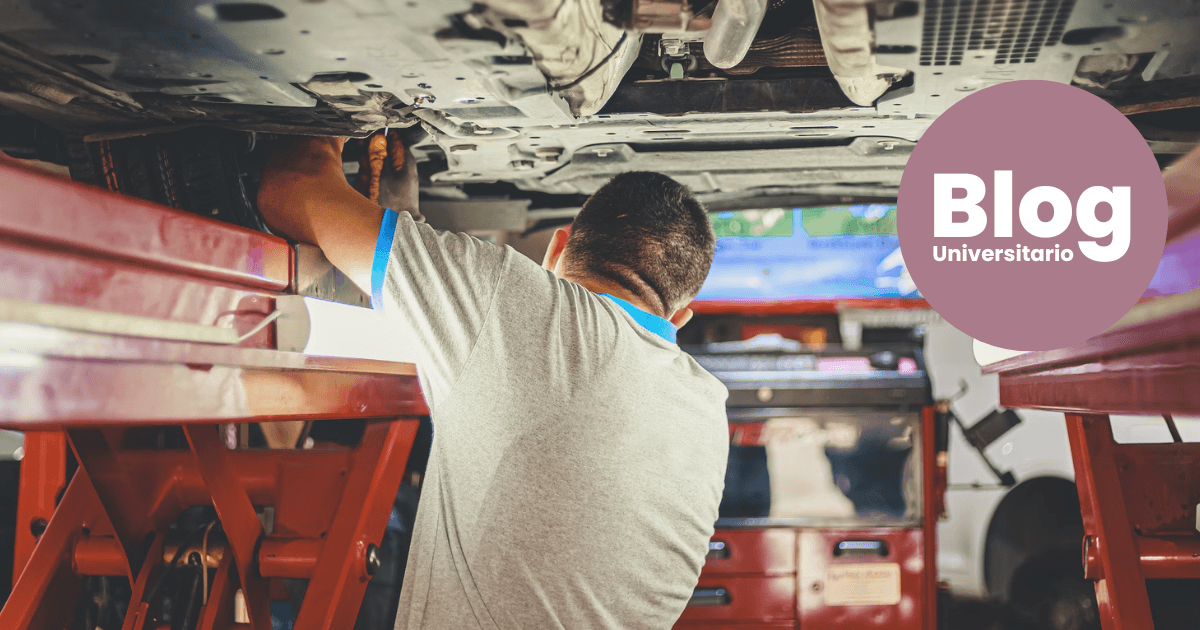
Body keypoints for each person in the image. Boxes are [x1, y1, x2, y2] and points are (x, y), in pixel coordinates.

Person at [257, 137, 730, 630]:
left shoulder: (523, 306)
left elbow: (290, 189)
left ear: (557, 248)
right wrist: (401, 228)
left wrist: (332, 126)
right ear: (680, 317)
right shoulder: (706, 410)